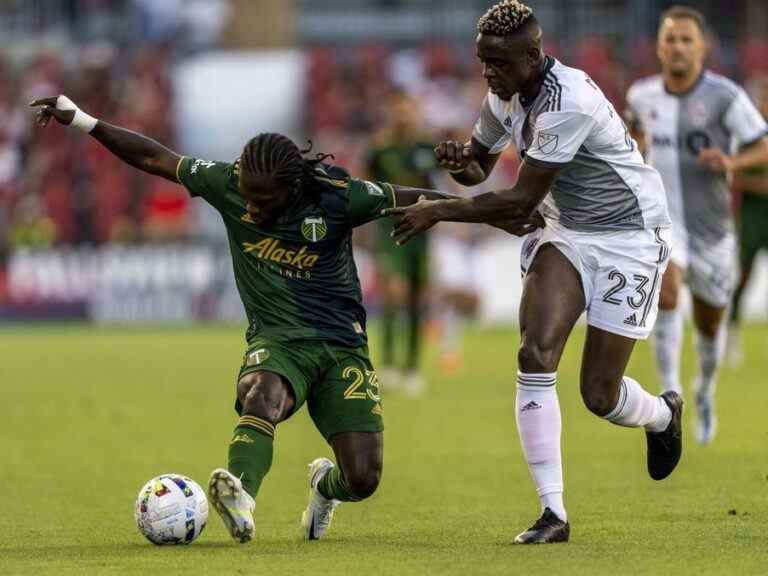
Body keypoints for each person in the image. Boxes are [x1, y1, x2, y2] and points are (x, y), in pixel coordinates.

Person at [30, 94, 540, 543]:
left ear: (294, 189)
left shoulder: (337, 196)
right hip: (279, 340)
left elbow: (415, 198)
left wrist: (499, 215)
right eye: (247, 196)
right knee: (261, 392)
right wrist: (83, 120)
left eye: (264, 199)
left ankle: (323, 486)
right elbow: (154, 156)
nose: (251, 207)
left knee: (363, 478)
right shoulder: (228, 183)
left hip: (342, 345)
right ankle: (242, 498)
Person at [383, 0, 682, 544]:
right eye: (482, 62)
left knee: (600, 394)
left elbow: (521, 201)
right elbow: (479, 166)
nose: (488, 74)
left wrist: (439, 209)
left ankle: (662, 415)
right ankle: (554, 514)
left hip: (630, 240)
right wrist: (460, 163)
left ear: (533, 54)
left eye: (497, 63)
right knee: (534, 353)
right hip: (567, 232)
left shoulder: (568, 100)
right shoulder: (504, 92)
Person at [626, 6, 768, 444]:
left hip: (713, 232)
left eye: (687, 39)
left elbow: (763, 147)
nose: (678, 47)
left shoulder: (725, 97)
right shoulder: (640, 97)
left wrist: (730, 161)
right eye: (671, 39)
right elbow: (629, 144)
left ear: (703, 48)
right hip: (664, 225)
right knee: (665, 294)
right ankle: (672, 396)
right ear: (659, 47)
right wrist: (636, 146)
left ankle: (704, 389)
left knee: (710, 329)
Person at [366, 89, 435, 394]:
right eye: (398, 109)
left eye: (408, 109)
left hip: (421, 233)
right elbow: (365, 189)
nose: (403, 114)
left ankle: (412, 367)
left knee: (417, 300)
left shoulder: (427, 147)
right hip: (389, 232)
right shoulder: (379, 150)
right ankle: (390, 364)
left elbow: (439, 185)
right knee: (395, 294)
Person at [728, 78, 768, 366]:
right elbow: (733, 176)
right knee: (743, 277)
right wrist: (760, 185)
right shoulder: (749, 140)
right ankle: (731, 336)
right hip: (754, 217)